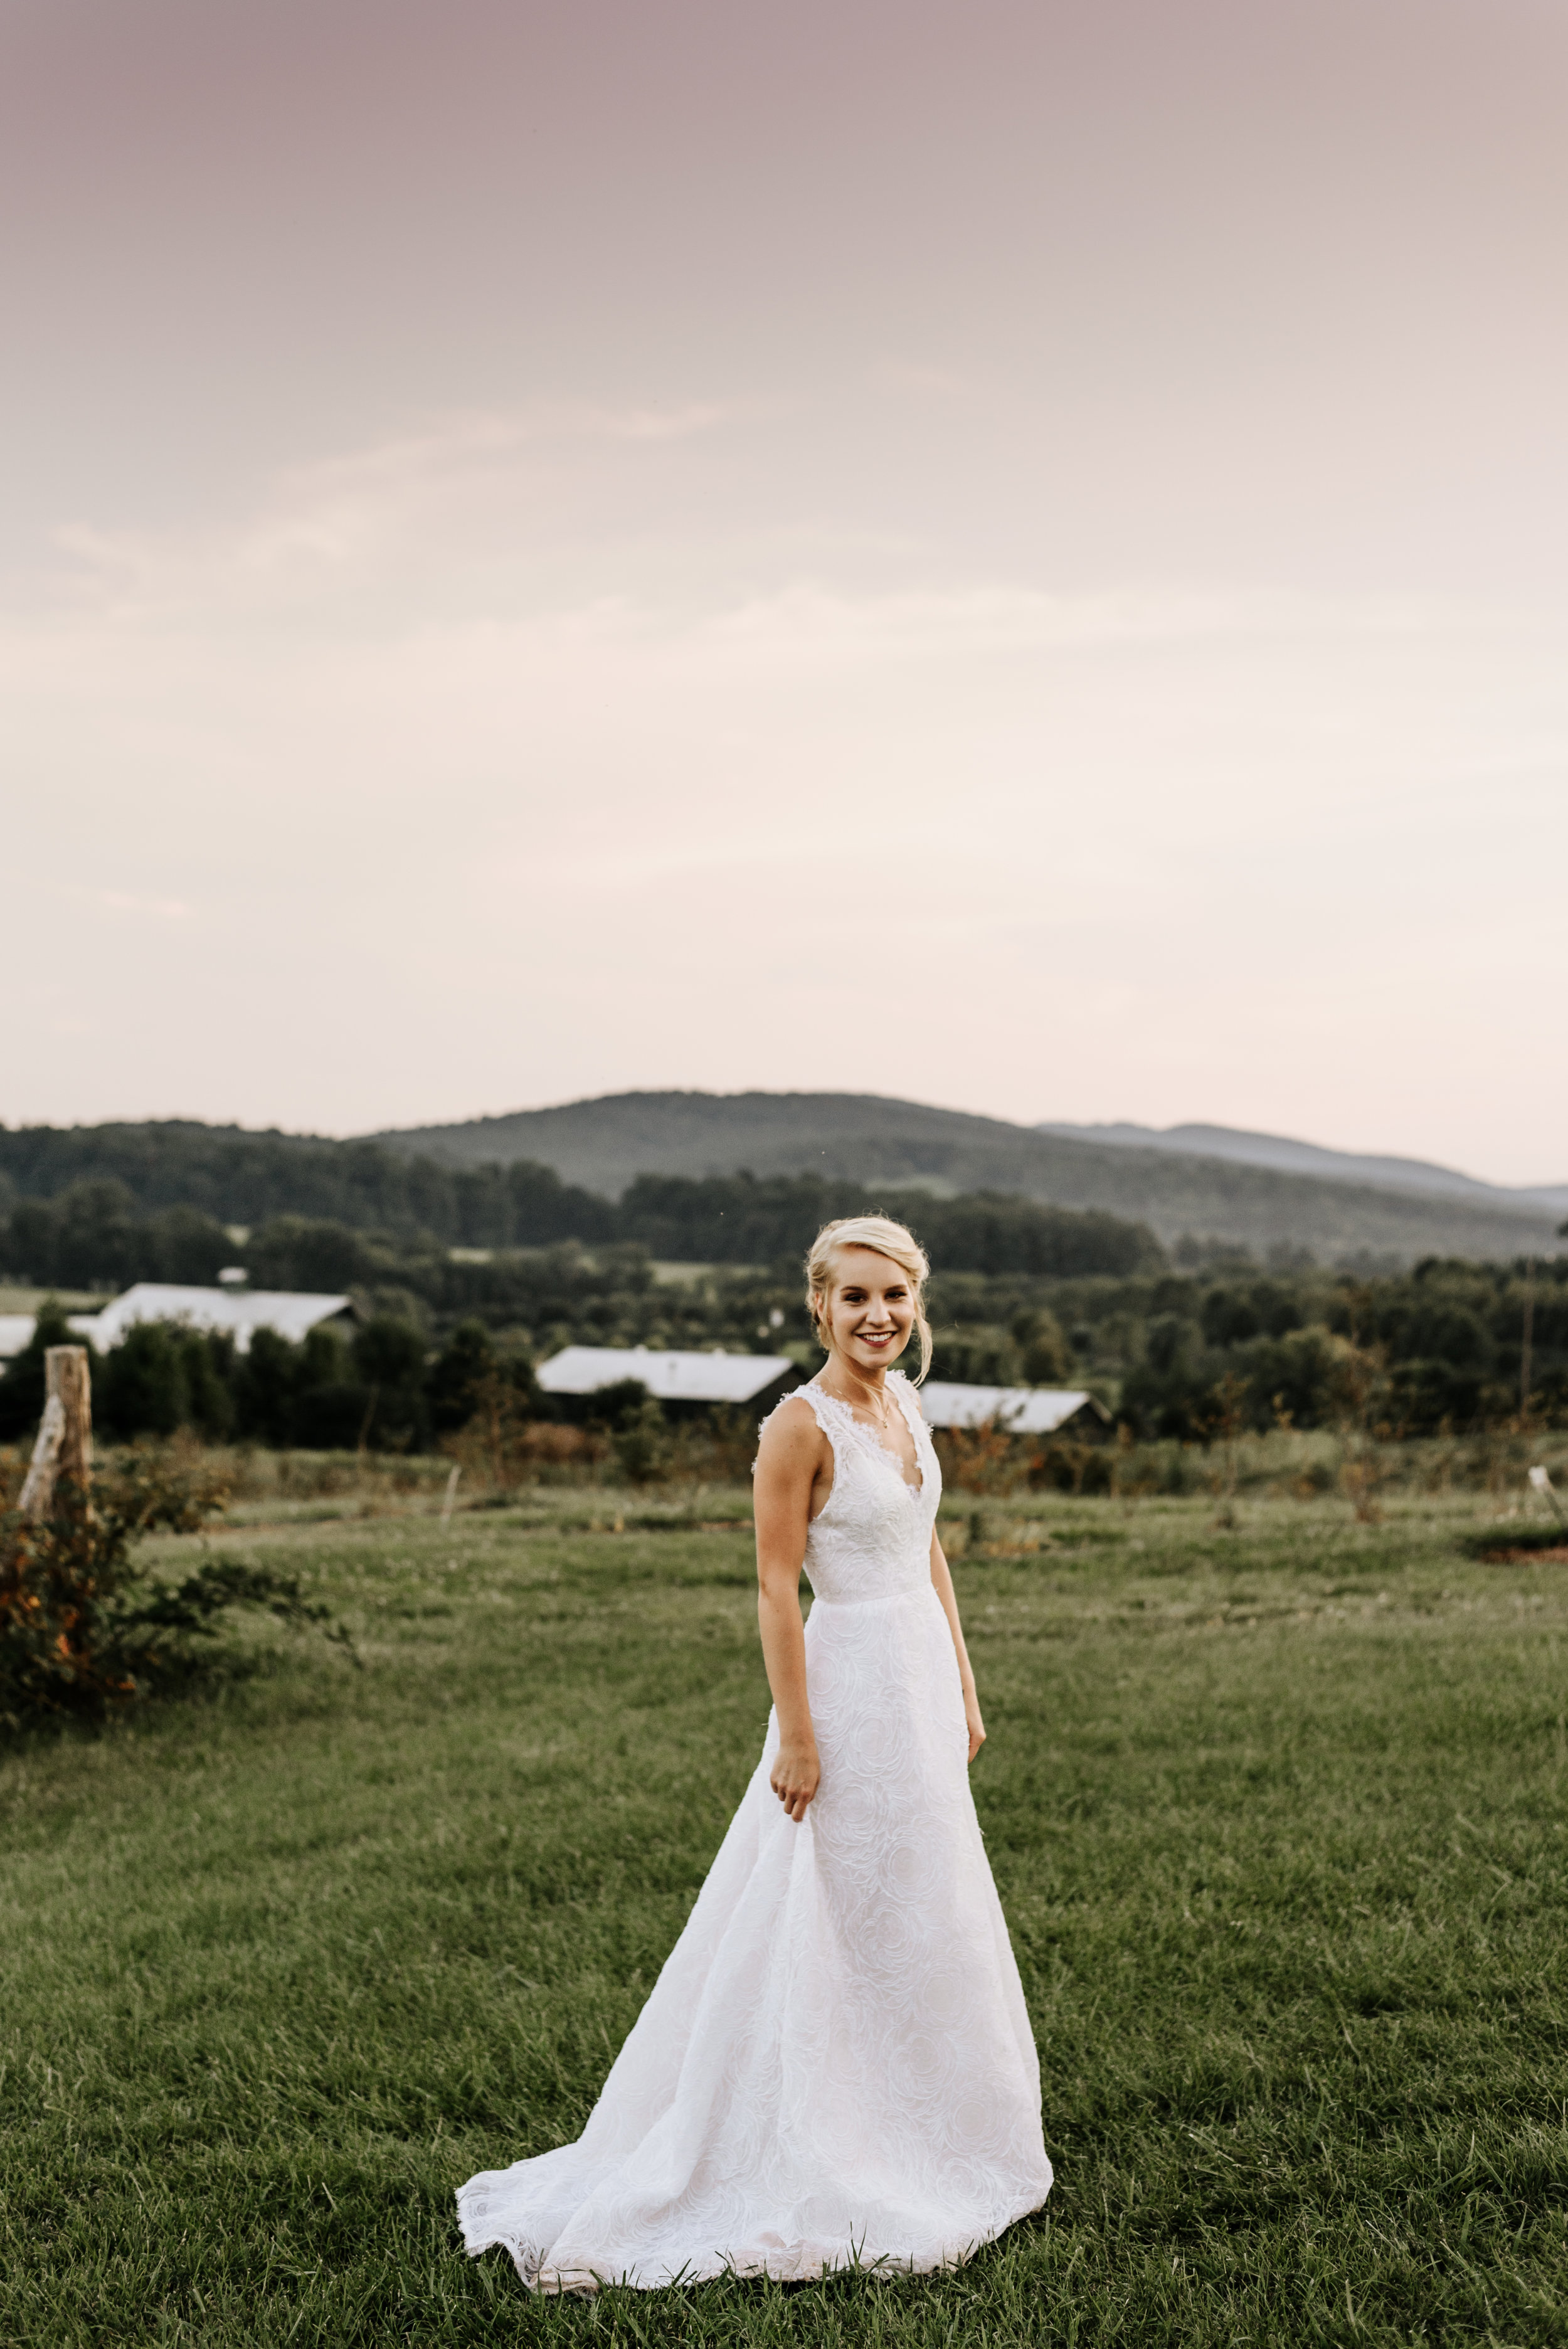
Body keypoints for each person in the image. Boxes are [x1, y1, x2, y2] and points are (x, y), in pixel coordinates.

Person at [456, 1214, 1052, 2290]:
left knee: (918, 1900)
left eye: (896, 1297)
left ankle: (928, 2122)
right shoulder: (798, 1424)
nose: (878, 1315)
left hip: (917, 1680)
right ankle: (810, 2144)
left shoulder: (908, 1404)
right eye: (857, 1297)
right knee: (822, 1904)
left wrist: (964, 1679)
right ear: (819, 1305)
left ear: (918, 1307)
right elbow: (778, 1586)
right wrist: (799, 1733)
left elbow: (929, 1552)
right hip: (847, 1683)